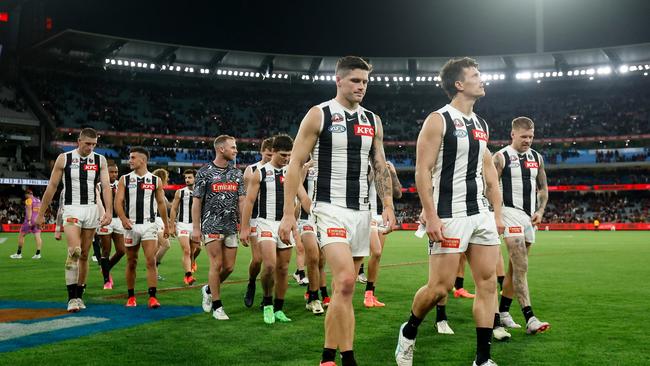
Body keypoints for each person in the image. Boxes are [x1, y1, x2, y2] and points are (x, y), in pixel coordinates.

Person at [279, 56, 396, 366]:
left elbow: (380, 165)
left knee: (344, 292)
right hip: (329, 209)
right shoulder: (319, 114)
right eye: (355, 80)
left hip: (362, 211)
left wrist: (387, 205)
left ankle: (329, 356)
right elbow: (294, 165)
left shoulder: (373, 120)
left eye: (365, 82)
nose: (361, 86)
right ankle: (349, 358)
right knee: (345, 280)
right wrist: (289, 213)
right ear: (339, 81)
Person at [394, 57, 504, 366]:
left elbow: (487, 171)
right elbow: (422, 170)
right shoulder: (438, 119)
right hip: (448, 213)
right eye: (475, 75)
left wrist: (496, 212)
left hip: (479, 213)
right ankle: (409, 329)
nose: (482, 79)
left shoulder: (481, 124)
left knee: (487, 284)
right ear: (459, 84)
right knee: (439, 287)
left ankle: (482, 359)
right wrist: (430, 214)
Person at [35, 128, 113, 312]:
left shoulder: (100, 160)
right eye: (87, 144)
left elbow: (107, 187)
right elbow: (52, 186)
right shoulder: (64, 158)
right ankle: (71, 299)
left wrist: (108, 211)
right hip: (71, 208)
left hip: (91, 210)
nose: (90, 148)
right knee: (75, 251)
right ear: (79, 141)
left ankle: (79, 296)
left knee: (85, 255)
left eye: (94, 145)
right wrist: (40, 214)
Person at [494, 116, 551, 335]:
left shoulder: (537, 157)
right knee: (521, 266)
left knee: (514, 268)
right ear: (513, 134)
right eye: (524, 136)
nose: (528, 140)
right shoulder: (500, 157)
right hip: (509, 214)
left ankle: (503, 313)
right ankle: (530, 318)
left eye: (531, 136)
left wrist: (540, 211)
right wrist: (496, 214)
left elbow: (543, 188)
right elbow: (489, 186)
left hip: (529, 219)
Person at [241, 135, 302, 324]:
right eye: (283, 154)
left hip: (284, 223)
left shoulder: (292, 172)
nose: (286, 158)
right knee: (268, 265)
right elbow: (249, 201)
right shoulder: (260, 172)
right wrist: (244, 228)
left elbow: (298, 199)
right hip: (265, 222)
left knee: (283, 269)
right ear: (274, 151)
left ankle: (278, 308)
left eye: (289, 155)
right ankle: (267, 303)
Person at [193, 135, 246, 321]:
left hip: (231, 226)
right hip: (211, 225)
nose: (236, 150)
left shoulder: (237, 174)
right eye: (233, 147)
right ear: (221, 149)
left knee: (229, 267)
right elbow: (197, 202)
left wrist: (244, 226)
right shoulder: (204, 172)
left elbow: (241, 201)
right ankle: (217, 305)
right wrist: (196, 228)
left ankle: (207, 289)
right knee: (216, 264)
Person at [114, 147, 170, 308]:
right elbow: (118, 202)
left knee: (151, 261)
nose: (129, 160)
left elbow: (160, 203)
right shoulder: (125, 179)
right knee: (131, 262)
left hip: (149, 225)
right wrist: (123, 219)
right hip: (131, 225)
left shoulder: (155, 180)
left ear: (142, 160)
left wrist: (166, 226)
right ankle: (131, 297)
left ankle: (152, 297)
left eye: (132, 158)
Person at [363, 161, 402, 308]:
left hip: (382, 217)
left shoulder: (385, 166)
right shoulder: (365, 164)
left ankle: (370, 294)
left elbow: (398, 193)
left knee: (377, 257)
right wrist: (374, 172)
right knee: (377, 252)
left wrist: (392, 173)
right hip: (368, 214)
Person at [243, 137, 274, 307]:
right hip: (256, 217)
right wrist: (244, 225)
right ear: (262, 152)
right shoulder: (252, 169)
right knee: (257, 259)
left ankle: (267, 296)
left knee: (273, 263)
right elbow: (246, 199)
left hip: (273, 219)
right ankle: (251, 282)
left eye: (272, 154)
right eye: (268, 154)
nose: (270, 157)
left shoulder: (282, 169)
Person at [298, 160, 329, 314]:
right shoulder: (304, 164)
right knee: (313, 257)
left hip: (324, 218)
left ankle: (317, 293)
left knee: (322, 261)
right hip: (306, 217)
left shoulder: (329, 163)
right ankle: (314, 299)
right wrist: (305, 168)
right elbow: (295, 184)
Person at [95, 163, 126, 289]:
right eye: (111, 172)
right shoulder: (98, 186)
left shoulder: (121, 185)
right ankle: (106, 280)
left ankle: (105, 269)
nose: (114, 174)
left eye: (116, 172)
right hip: (105, 219)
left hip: (118, 220)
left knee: (121, 251)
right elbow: (97, 203)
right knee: (106, 250)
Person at [169, 169, 199, 285]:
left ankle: (191, 265)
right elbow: (174, 209)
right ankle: (188, 275)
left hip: (196, 225)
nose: (187, 180)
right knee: (186, 250)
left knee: (193, 251)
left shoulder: (201, 192)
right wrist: (172, 226)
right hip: (182, 224)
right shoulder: (180, 192)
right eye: (186, 178)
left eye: (190, 177)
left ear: (195, 178)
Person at [10, 189, 44, 259]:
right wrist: (41, 220)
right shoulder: (38, 200)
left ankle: (18, 254)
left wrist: (28, 220)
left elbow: (29, 210)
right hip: (37, 220)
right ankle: (38, 254)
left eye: (25, 195)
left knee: (21, 235)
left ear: (27, 194)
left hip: (30, 220)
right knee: (37, 236)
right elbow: (41, 211)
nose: (25, 196)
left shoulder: (29, 200)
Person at [152, 168, 172, 281]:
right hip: (154, 220)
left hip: (155, 219)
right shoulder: (157, 190)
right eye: (166, 177)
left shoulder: (158, 190)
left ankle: (154, 272)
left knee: (158, 247)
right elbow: (165, 205)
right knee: (166, 245)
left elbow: (168, 205)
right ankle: (153, 267)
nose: (168, 180)